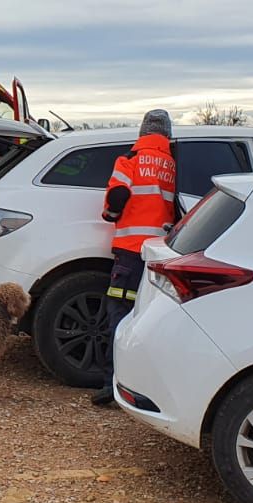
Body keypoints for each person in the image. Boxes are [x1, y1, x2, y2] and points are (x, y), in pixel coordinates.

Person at [95, 108, 177, 406]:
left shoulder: (129, 160)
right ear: (167, 134)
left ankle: (112, 384)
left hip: (130, 251)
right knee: (154, 319)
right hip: (164, 252)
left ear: (142, 132)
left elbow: (117, 196)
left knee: (119, 315)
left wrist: (111, 214)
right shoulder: (173, 162)